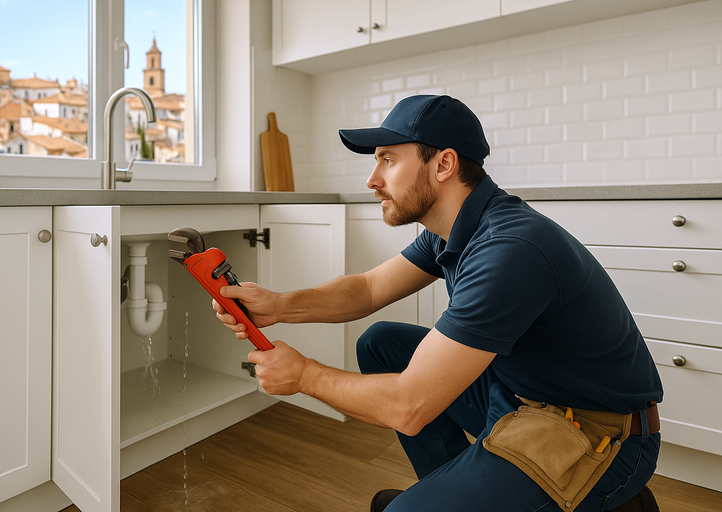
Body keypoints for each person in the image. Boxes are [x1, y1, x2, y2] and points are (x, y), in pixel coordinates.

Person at [213, 95, 662, 512]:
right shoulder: (454, 228)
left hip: (596, 434)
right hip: (520, 394)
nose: (372, 180)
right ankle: (449, 486)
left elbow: (407, 407)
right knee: (382, 343)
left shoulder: (511, 248)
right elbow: (369, 289)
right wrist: (279, 305)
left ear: (444, 164)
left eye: (388, 160)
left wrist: (303, 375)